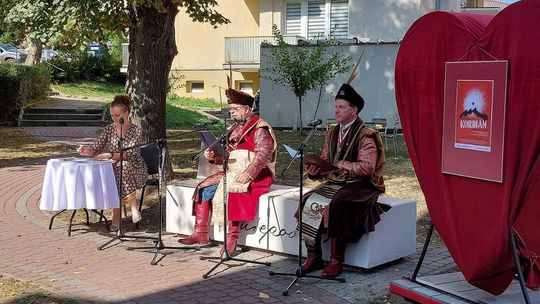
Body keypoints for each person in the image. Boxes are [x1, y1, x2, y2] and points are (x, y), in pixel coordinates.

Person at [300, 83, 387, 278]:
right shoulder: (332, 131)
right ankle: (313, 256)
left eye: (342, 107)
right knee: (306, 201)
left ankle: (336, 259)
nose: (336, 110)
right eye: (336, 106)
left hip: (361, 185)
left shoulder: (366, 134)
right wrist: (315, 170)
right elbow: (325, 161)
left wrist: (341, 164)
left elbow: (367, 167)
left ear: (354, 110)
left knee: (337, 204)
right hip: (336, 182)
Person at [179, 88, 277, 256]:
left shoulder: (260, 127)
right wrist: (213, 156)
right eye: (231, 110)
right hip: (233, 171)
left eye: (235, 109)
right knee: (203, 187)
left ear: (246, 109)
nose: (232, 113)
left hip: (257, 174)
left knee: (234, 189)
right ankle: (201, 232)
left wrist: (248, 173)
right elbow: (227, 155)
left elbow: (264, 154)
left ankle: (232, 238)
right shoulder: (234, 128)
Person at [77, 95, 147, 227]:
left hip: (136, 166)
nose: (115, 118)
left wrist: (109, 155)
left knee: (123, 166)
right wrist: (86, 150)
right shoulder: (109, 129)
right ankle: (133, 206)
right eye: (112, 115)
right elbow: (95, 148)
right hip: (115, 167)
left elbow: (130, 154)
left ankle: (117, 217)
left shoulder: (136, 131)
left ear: (126, 113)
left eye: (117, 115)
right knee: (118, 169)